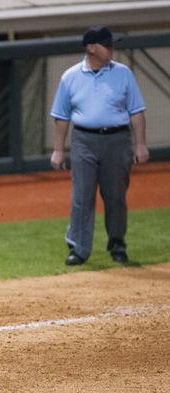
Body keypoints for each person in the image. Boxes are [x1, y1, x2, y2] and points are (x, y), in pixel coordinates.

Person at [50, 25, 149, 266]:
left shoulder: (123, 73)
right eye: (107, 45)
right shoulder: (70, 76)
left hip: (117, 140)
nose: (112, 48)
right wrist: (58, 149)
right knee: (82, 196)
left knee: (115, 196)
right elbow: (61, 116)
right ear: (91, 48)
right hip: (84, 140)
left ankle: (117, 244)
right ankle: (79, 248)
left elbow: (136, 111)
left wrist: (140, 144)